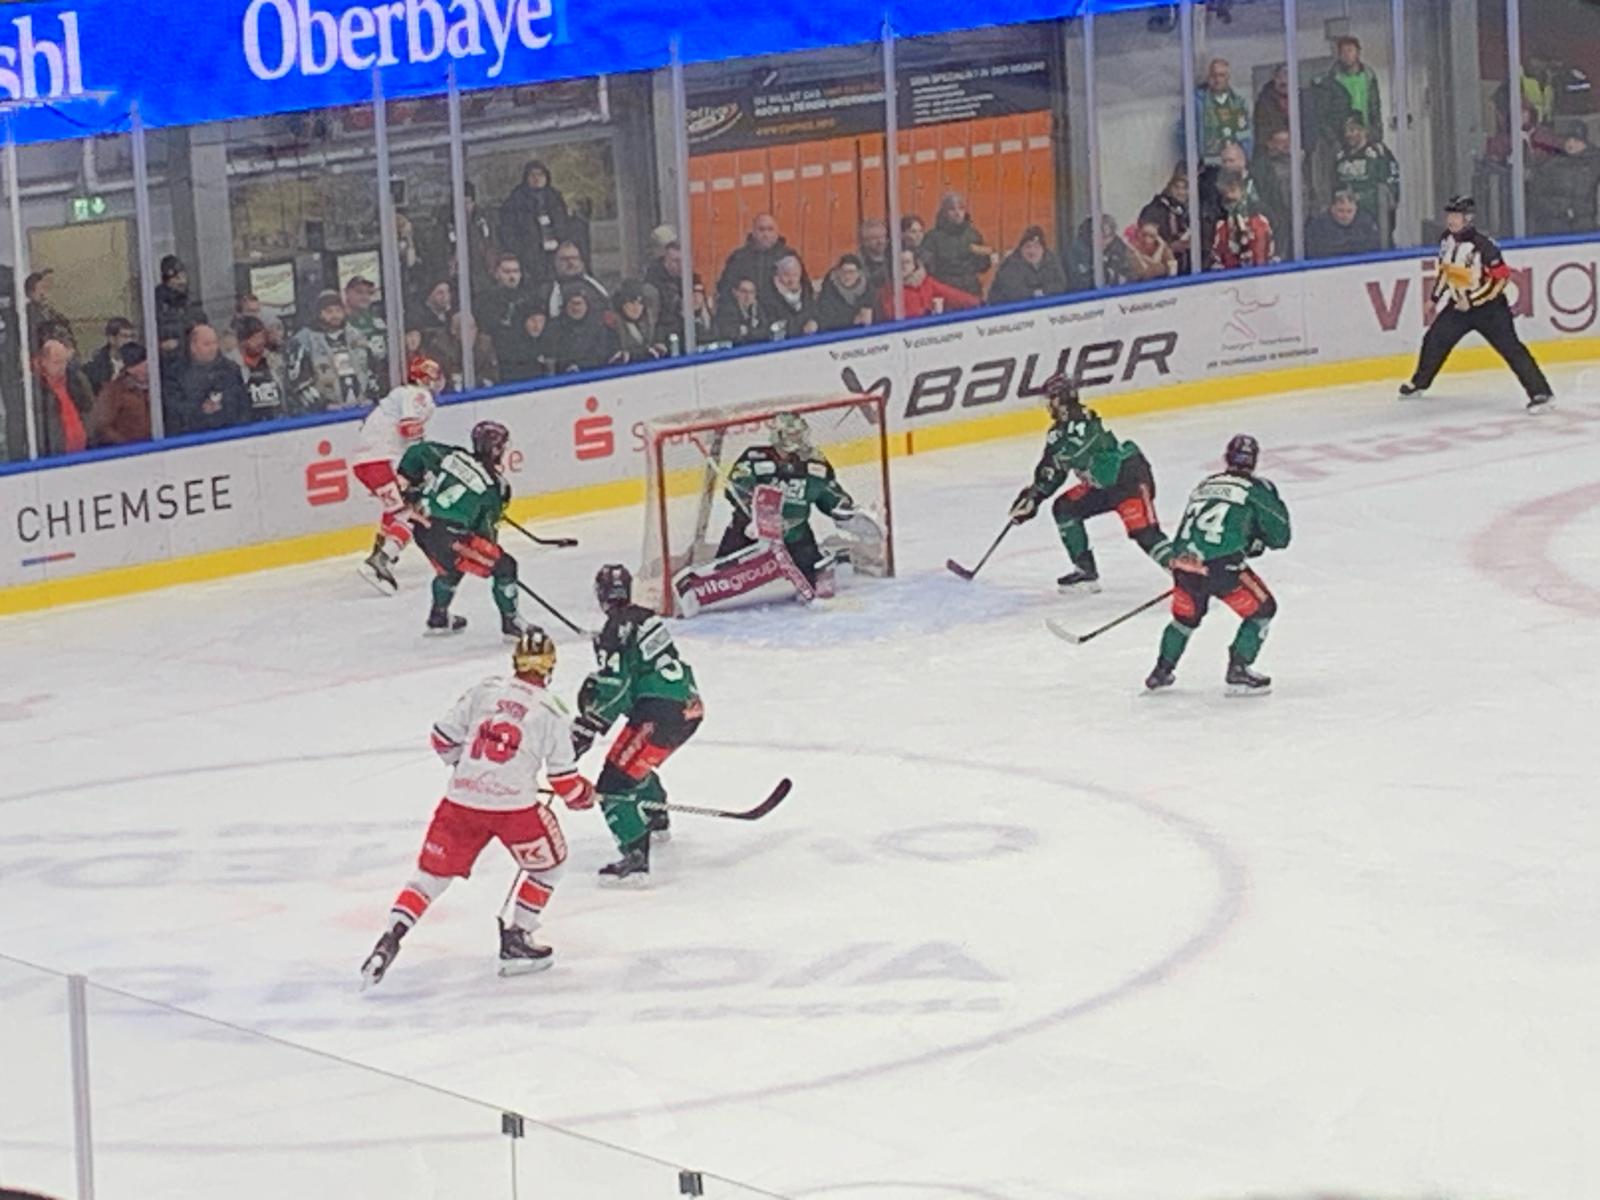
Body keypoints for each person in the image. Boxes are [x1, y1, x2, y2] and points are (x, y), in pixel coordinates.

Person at [359, 628, 596, 987]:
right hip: (514, 811)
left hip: (461, 804)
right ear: (550, 667)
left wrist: (467, 769)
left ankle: (390, 938)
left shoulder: (485, 690)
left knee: (429, 878)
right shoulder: (552, 711)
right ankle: (518, 937)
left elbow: (441, 738)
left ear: (516, 661)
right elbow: (565, 783)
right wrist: (584, 795)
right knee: (550, 867)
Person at [672, 412, 882, 616]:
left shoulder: (815, 464)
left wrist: (845, 511)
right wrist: (753, 509)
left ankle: (834, 558)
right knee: (723, 578)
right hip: (749, 531)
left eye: (800, 434)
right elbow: (736, 487)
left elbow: (831, 494)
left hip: (795, 534)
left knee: (814, 581)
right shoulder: (754, 458)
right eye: (792, 435)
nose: (798, 440)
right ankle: (695, 591)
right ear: (778, 436)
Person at [571, 564, 705, 884]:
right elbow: (638, 677)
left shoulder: (615, 628)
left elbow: (617, 685)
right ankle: (656, 815)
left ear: (600, 594)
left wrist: (588, 724)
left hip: (659, 713)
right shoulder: (647, 618)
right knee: (633, 766)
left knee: (613, 784)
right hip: (689, 706)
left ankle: (635, 858)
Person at [1145, 434, 1289, 695]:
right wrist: (1255, 540)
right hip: (1223, 568)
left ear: (1226, 458)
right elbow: (1280, 537)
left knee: (1184, 620)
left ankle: (1161, 671)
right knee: (1263, 610)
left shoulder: (1205, 484)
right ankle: (1239, 669)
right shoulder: (1256, 489)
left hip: (1185, 564)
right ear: (1254, 461)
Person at [1008, 373, 1172, 592]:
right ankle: (1085, 573)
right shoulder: (1058, 432)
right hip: (1101, 486)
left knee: (1145, 534)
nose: (1047, 405)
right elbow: (1053, 471)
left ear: (1060, 399)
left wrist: (1058, 460)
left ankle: (1187, 576)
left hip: (1128, 479)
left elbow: (1078, 449)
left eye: (1050, 399)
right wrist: (1034, 497)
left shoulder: (1083, 420)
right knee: (1065, 508)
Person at [1400, 196, 1553, 413]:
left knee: (1511, 348)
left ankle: (1541, 393)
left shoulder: (1484, 245)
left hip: (1490, 310)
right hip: (1458, 306)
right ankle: (1420, 383)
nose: (1451, 220)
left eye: (1456, 216)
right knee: (1434, 340)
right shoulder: (1446, 240)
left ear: (1468, 218)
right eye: (1449, 215)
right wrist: (1434, 298)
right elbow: (1445, 271)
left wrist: (1472, 300)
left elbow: (1501, 279)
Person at [398, 420, 532, 636]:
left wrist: (410, 487)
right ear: (496, 449)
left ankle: (439, 617)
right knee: (505, 566)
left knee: (452, 566)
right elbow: (485, 535)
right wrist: (494, 560)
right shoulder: (495, 487)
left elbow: (417, 451)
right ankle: (511, 623)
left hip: (422, 529)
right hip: (451, 537)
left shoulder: (453, 455)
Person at [352, 357, 444, 594]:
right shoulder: (417, 395)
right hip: (383, 461)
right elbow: (409, 428)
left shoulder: (398, 395)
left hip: (367, 463)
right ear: (424, 378)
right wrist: (425, 461)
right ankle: (381, 560)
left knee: (395, 509)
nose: (437, 382)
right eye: (434, 377)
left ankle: (382, 552)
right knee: (413, 512)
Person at [287, 291, 376, 411]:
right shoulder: (304, 340)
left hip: (362, 407)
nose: (335, 315)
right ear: (320, 313)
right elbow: (299, 382)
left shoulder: (356, 335)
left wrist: (371, 397)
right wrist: (323, 406)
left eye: (338, 310)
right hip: (325, 414)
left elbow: (371, 369)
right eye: (329, 311)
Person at [717, 213, 810, 312]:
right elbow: (725, 290)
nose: (766, 234)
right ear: (753, 232)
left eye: (770, 229)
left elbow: (806, 291)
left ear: (777, 232)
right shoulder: (739, 258)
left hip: (782, 314)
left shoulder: (789, 256)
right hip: (747, 314)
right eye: (761, 230)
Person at [167, 323, 249, 435]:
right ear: (193, 347)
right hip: (193, 436)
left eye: (215, 343)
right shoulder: (175, 374)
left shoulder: (231, 369)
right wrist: (200, 409)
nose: (213, 348)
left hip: (230, 433)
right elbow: (176, 412)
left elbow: (242, 405)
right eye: (207, 344)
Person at [499, 160, 570, 286]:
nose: (537, 179)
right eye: (532, 175)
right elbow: (508, 230)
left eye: (540, 175)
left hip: (555, 254)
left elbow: (564, 224)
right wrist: (521, 251)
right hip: (529, 257)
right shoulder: (516, 200)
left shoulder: (555, 198)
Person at [1333, 115, 1400, 241]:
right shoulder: (1341, 155)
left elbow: (1390, 185)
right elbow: (1335, 184)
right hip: (1345, 219)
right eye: (1346, 131)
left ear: (1364, 130)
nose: (1348, 134)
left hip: (1373, 215)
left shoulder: (1378, 152)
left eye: (1352, 130)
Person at [1529, 122, 1600, 235]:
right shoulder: (1550, 165)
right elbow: (1536, 195)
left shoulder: (1594, 162)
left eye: (1577, 140)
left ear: (1585, 143)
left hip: (1585, 226)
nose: (1571, 144)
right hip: (1556, 226)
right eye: (1568, 139)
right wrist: (1560, 210)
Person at [922, 192, 995, 299]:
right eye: (952, 209)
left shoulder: (973, 235)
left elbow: (982, 267)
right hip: (945, 290)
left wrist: (985, 257)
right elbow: (928, 268)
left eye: (961, 208)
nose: (958, 213)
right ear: (944, 213)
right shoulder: (933, 238)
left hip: (970, 289)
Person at [32, 335, 92, 456]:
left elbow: (89, 410)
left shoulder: (76, 381)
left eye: (64, 362)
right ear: (43, 361)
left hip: (84, 452)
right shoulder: (36, 389)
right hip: (55, 456)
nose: (61, 367)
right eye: (56, 362)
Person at [878, 249, 979, 320]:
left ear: (915, 264)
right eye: (900, 263)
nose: (903, 266)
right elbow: (891, 314)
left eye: (907, 262)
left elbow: (954, 295)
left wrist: (978, 303)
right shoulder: (889, 290)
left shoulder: (926, 283)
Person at [476, 253, 533, 370]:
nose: (512, 276)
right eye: (506, 272)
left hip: (525, 359)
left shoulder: (530, 300)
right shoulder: (485, 301)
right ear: (497, 274)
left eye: (515, 271)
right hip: (497, 360)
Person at [228, 315, 290, 422]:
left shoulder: (273, 361)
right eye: (255, 338)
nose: (260, 341)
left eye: (262, 336)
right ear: (242, 341)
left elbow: (284, 394)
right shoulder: (230, 366)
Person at [88, 342, 151, 447]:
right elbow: (102, 426)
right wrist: (125, 445)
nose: (147, 370)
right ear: (129, 369)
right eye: (143, 366)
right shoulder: (114, 390)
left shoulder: (156, 387)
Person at [1210, 170, 1275, 270]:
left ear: (1243, 191)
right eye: (1225, 193)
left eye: (1232, 190)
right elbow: (1218, 260)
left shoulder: (1261, 222)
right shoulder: (1221, 227)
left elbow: (1267, 256)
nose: (1229, 196)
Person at [989, 226, 1068, 304]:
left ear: (1043, 249)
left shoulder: (1052, 260)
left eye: (1036, 247)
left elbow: (1060, 284)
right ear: (1021, 248)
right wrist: (1037, 293)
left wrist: (1041, 292)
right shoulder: (1010, 265)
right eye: (1028, 246)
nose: (1032, 251)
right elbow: (1015, 294)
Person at [543, 290, 617, 372]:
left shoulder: (598, 326)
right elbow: (550, 358)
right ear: (566, 305)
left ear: (586, 305)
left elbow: (605, 354)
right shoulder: (554, 328)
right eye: (572, 303)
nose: (576, 308)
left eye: (579, 304)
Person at [154, 255, 208, 362]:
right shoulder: (157, 302)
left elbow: (203, 325)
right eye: (177, 278)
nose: (182, 282)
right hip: (169, 360)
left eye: (184, 277)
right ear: (167, 280)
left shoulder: (190, 300)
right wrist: (161, 346)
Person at [1196, 58, 1251, 162]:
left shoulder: (1238, 102)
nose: (1217, 80)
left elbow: (1245, 133)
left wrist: (1244, 157)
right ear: (1208, 77)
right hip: (1207, 163)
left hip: (1232, 162)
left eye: (1221, 75)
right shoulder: (1198, 103)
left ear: (1228, 77)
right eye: (1214, 75)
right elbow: (1186, 134)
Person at [1139, 167, 1193, 273]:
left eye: (1185, 188)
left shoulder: (1181, 210)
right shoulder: (1154, 210)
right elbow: (1147, 244)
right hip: (1158, 270)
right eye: (1177, 188)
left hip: (1180, 267)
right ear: (1169, 188)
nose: (1181, 192)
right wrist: (1170, 247)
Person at [1326, 36, 1382, 135]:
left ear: (1358, 52)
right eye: (1343, 52)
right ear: (1339, 55)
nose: (1347, 55)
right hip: (1343, 134)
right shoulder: (1333, 80)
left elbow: (1375, 107)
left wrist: (1377, 132)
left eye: (1350, 50)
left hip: (1366, 132)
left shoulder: (1368, 77)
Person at [1304, 190, 1381, 259]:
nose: (1345, 215)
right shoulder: (1318, 225)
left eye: (1349, 211)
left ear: (1356, 210)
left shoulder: (1366, 223)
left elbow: (1373, 248)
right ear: (1332, 209)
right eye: (1341, 211)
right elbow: (1316, 252)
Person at [343, 276, 389, 390]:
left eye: (369, 293)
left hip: (378, 381)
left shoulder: (377, 321)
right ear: (347, 293)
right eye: (359, 292)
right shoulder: (339, 321)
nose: (365, 297)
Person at [544, 241, 610, 319]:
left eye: (574, 258)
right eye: (564, 259)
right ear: (556, 262)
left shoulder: (597, 287)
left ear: (582, 262)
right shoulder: (546, 292)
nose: (570, 262)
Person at [1067, 216, 1135, 290]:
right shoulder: (1076, 252)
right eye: (1099, 236)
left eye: (1106, 237)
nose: (1102, 242)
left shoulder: (1118, 247)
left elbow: (1129, 274)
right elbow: (1077, 283)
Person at [1254, 128, 1295, 248]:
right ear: (1270, 144)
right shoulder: (1263, 168)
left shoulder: (1300, 162)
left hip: (1301, 218)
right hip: (1277, 219)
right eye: (1281, 141)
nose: (1286, 144)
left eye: (1288, 140)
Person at [760, 254, 818, 339]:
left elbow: (814, 313)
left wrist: (814, 322)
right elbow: (773, 327)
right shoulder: (768, 297)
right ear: (778, 275)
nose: (791, 280)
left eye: (795, 275)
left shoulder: (806, 292)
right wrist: (800, 328)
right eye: (786, 275)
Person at [814, 254, 875, 331]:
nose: (847, 276)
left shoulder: (867, 291)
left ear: (859, 273)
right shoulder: (828, 291)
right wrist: (853, 320)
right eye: (843, 272)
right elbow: (825, 319)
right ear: (838, 272)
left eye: (851, 272)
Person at [643, 240, 686, 345]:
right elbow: (652, 319)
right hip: (663, 336)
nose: (680, 265)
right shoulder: (653, 284)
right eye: (676, 261)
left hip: (683, 331)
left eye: (683, 260)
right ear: (666, 260)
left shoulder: (685, 278)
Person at [613, 281, 668, 362]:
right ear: (621, 304)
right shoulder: (612, 326)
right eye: (631, 303)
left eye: (640, 303)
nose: (636, 308)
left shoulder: (649, 323)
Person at [495, 305, 553, 381]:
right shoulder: (511, 345)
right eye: (533, 320)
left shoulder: (548, 342)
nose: (537, 326)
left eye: (541, 321)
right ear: (524, 321)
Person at [84, 317, 136, 395]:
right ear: (112, 339)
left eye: (132, 337)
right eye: (124, 336)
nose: (129, 341)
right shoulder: (95, 368)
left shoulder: (137, 363)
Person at [24, 269, 73, 350]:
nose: (44, 293)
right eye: (40, 289)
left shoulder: (50, 312)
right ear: (30, 293)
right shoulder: (30, 314)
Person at [712, 278, 767, 346]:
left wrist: (747, 330)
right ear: (735, 292)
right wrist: (753, 331)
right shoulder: (726, 310)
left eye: (751, 292)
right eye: (744, 291)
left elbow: (766, 332)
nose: (748, 296)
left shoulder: (758, 308)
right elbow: (731, 335)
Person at [1252, 64, 1292, 145]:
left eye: (1287, 76)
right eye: (1279, 77)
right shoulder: (1264, 103)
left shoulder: (1301, 99)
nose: (1283, 81)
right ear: (1274, 79)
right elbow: (1261, 133)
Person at [857, 219, 892, 294]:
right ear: (864, 241)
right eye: (874, 238)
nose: (880, 241)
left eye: (882, 236)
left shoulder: (893, 257)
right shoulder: (857, 263)